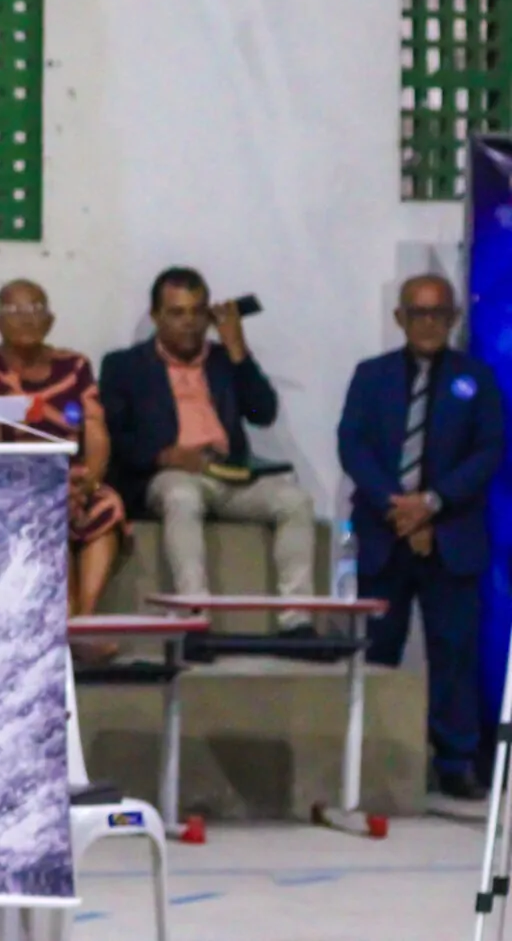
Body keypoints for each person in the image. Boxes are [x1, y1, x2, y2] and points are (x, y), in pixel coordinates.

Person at [337, 275, 504, 803]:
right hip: (384, 535)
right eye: (418, 313)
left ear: (453, 318)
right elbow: (352, 445)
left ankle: (455, 762)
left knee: (454, 653)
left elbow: (488, 451)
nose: (428, 323)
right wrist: (399, 508)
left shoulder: (477, 379)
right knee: (377, 650)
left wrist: (431, 505)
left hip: (451, 537)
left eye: (438, 313)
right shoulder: (371, 376)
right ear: (400, 318)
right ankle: (369, 762)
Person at [99, 266, 312, 617]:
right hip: (170, 474)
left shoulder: (224, 360)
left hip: (229, 473)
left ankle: (297, 618)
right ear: (156, 316)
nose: (189, 323)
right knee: (181, 495)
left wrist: (238, 351)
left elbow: (263, 412)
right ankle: (195, 614)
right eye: (177, 313)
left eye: (198, 312)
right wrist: (164, 456)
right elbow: (114, 436)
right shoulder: (125, 366)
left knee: (295, 501)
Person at [0, 280, 126, 616]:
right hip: (14, 482)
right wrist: (47, 485)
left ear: (51, 320)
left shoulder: (75, 366)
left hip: (73, 479)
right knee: (48, 507)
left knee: (106, 504)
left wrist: (89, 482)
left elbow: (95, 430)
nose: (27, 318)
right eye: (15, 310)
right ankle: (65, 618)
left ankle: (85, 620)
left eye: (36, 309)